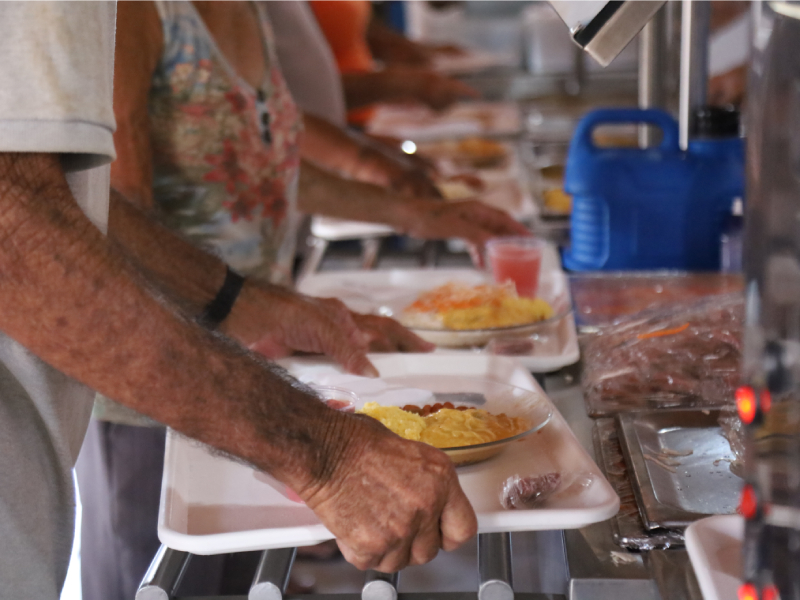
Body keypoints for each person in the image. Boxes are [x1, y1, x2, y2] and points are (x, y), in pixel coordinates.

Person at [0, 3, 477, 598]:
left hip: (229, 385)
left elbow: (251, 154)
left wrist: (246, 301)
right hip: (156, 393)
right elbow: (23, 233)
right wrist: (323, 454)